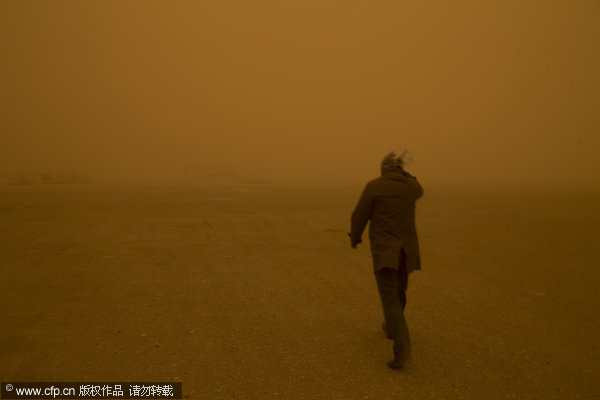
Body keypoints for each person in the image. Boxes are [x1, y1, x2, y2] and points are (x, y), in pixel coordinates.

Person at [349, 150, 423, 369]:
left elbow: (359, 214)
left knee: (390, 297)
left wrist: (355, 237)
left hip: (385, 251)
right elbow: (418, 186)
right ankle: (392, 328)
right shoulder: (411, 188)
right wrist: (404, 173)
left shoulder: (374, 186)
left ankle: (402, 349)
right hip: (407, 252)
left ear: (383, 169)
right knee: (400, 291)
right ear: (400, 169)